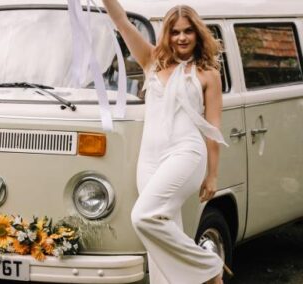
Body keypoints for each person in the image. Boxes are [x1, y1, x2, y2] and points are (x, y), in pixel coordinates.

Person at [101, 1, 231, 284]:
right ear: (167, 35)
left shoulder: (208, 73)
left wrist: (212, 175)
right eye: (174, 32)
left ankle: (209, 265)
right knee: (160, 234)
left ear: (197, 34)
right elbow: (122, 22)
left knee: (143, 217)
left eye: (187, 31)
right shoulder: (151, 61)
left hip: (186, 154)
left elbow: (213, 130)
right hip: (149, 159)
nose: (181, 37)